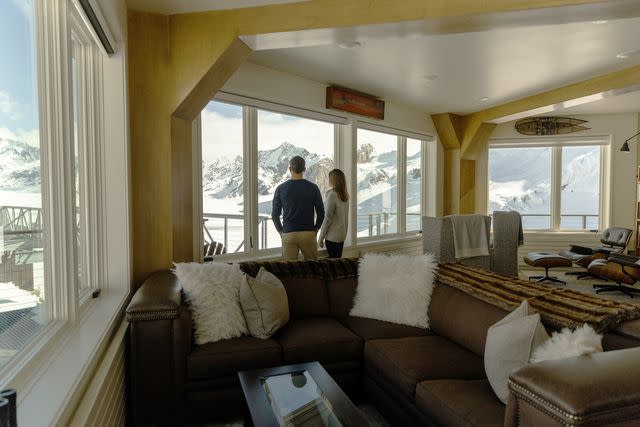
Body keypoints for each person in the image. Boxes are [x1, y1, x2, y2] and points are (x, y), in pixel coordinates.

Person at [271, 156, 324, 261]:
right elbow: (321, 212)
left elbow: (274, 215)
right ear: (304, 169)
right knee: (312, 268)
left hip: (289, 233)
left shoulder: (281, 188)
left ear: (290, 169)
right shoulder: (313, 188)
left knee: (290, 271)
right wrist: (316, 229)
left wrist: (281, 231)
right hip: (308, 233)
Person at [318, 169, 349, 258]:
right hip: (341, 235)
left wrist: (321, 238)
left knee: (333, 265)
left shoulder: (332, 195)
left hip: (332, 237)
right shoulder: (345, 195)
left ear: (333, 180)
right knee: (338, 263)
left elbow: (327, 218)